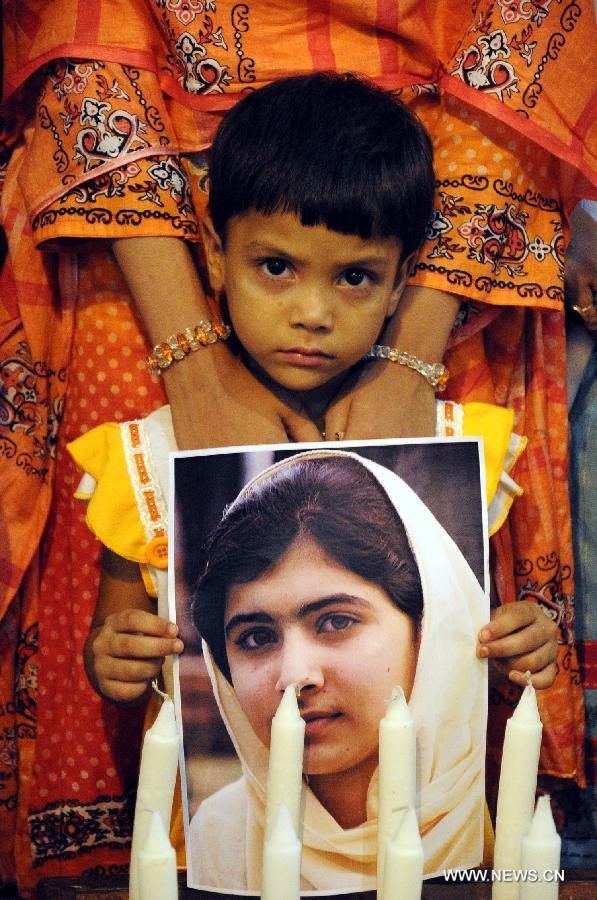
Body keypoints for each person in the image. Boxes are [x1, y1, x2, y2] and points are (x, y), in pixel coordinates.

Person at [1, 2, 593, 894]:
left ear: (400, 285)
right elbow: (124, 641)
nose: (313, 314)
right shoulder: (149, 458)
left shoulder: (455, 447)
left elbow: (488, 621)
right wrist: (115, 657)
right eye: (275, 268)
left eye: (353, 280)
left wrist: (528, 640)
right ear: (215, 254)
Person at [186, 449, 487, 890]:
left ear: (426, 627)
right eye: (256, 637)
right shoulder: (218, 838)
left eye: (336, 621)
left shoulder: (504, 805)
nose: (294, 675)